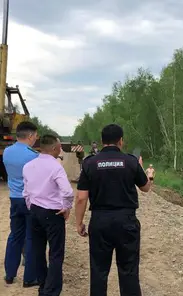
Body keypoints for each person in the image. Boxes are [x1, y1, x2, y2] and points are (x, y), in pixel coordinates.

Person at [75, 124, 150, 296]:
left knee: (99, 271)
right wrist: (142, 168)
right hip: (127, 222)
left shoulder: (89, 163)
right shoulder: (131, 161)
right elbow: (145, 188)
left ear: (102, 141)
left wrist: (79, 223)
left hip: (100, 222)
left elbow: (81, 198)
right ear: (121, 141)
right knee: (129, 270)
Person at [23, 135, 73, 296]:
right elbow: (67, 191)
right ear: (53, 149)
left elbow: (26, 192)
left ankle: (42, 286)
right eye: (59, 147)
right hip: (52, 213)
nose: (60, 149)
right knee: (56, 253)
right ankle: (51, 291)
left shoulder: (28, 166)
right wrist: (66, 207)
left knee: (38, 251)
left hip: (35, 211)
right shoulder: (55, 167)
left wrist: (31, 207)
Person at [3, 121, 39, 287]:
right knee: (31, 238)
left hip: (14, 199)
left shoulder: (7, 152)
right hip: (29, 200)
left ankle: (9, 275)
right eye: (36, 136)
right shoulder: (33, 155)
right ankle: (29, 278)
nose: (36, 139)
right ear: (30, 136)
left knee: (15, 236)